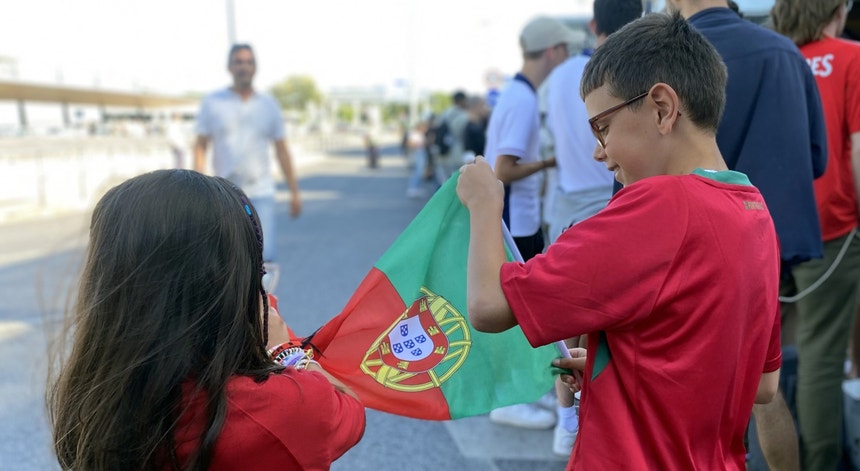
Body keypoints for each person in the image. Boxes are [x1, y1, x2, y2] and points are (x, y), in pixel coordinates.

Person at [456, 13, 781, 469]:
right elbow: (762, 384)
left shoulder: (660, 206)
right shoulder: (754, 210)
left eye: (602, 128)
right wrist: (617, 368)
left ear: (662, 108)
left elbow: (489, 306)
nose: (598, 152)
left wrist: (485, 204)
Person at [48, 169, 365, 470]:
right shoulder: (280, 407)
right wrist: (285, 350)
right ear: (231, 291)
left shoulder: (92, 398)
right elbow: (347, 408)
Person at [665, 1, 830, 468]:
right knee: (763, 383)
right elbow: (816, 159)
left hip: (692, 238)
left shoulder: (667, 55)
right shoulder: (785, 52)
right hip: (768, 240)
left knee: (695, 384)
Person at [541, 0, 644, 456]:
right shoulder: (634, 71)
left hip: (567, 201)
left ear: (592, 24)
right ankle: (587, 416)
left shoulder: (562, 75)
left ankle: (567, 419)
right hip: (610, 197)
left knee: (568, 313)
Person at [771, 2, 860, 468]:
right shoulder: (851, 57)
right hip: (831, 225)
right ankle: (821, 463)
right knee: (822, 358)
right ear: (837, 10)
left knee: (759, 356)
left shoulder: (772, 56)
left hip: (766, 226)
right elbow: (858, 150)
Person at [482, 15, 573, 430]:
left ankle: (519, 394)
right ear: (553, 51)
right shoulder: (522, 100)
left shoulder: (514, 94)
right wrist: (551, 162)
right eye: (565, 50)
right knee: (521, 313)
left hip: (513, 219)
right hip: (516, 222)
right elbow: (503, 170)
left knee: (518, 312)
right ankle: (511, 399)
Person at [194, 43, 302, 286]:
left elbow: (281, 149)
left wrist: (294, 191)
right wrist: (197, 187)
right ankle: (234, 308)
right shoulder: (213, 103)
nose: (244, 67)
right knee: (227, 259)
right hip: (225, 195)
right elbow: (200, 145)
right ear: (229, 66)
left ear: (255, 67)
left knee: (265, 260)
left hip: (261, 194)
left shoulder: (268, 105)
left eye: (249, 62)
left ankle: (263, 308)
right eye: (238, 62)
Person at [432, 90, 470, 183]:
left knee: (444, 181)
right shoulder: (464, 115)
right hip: (457, 152)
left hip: (443, 151)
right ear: (462, 100)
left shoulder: (445, 113)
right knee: (457, 182)